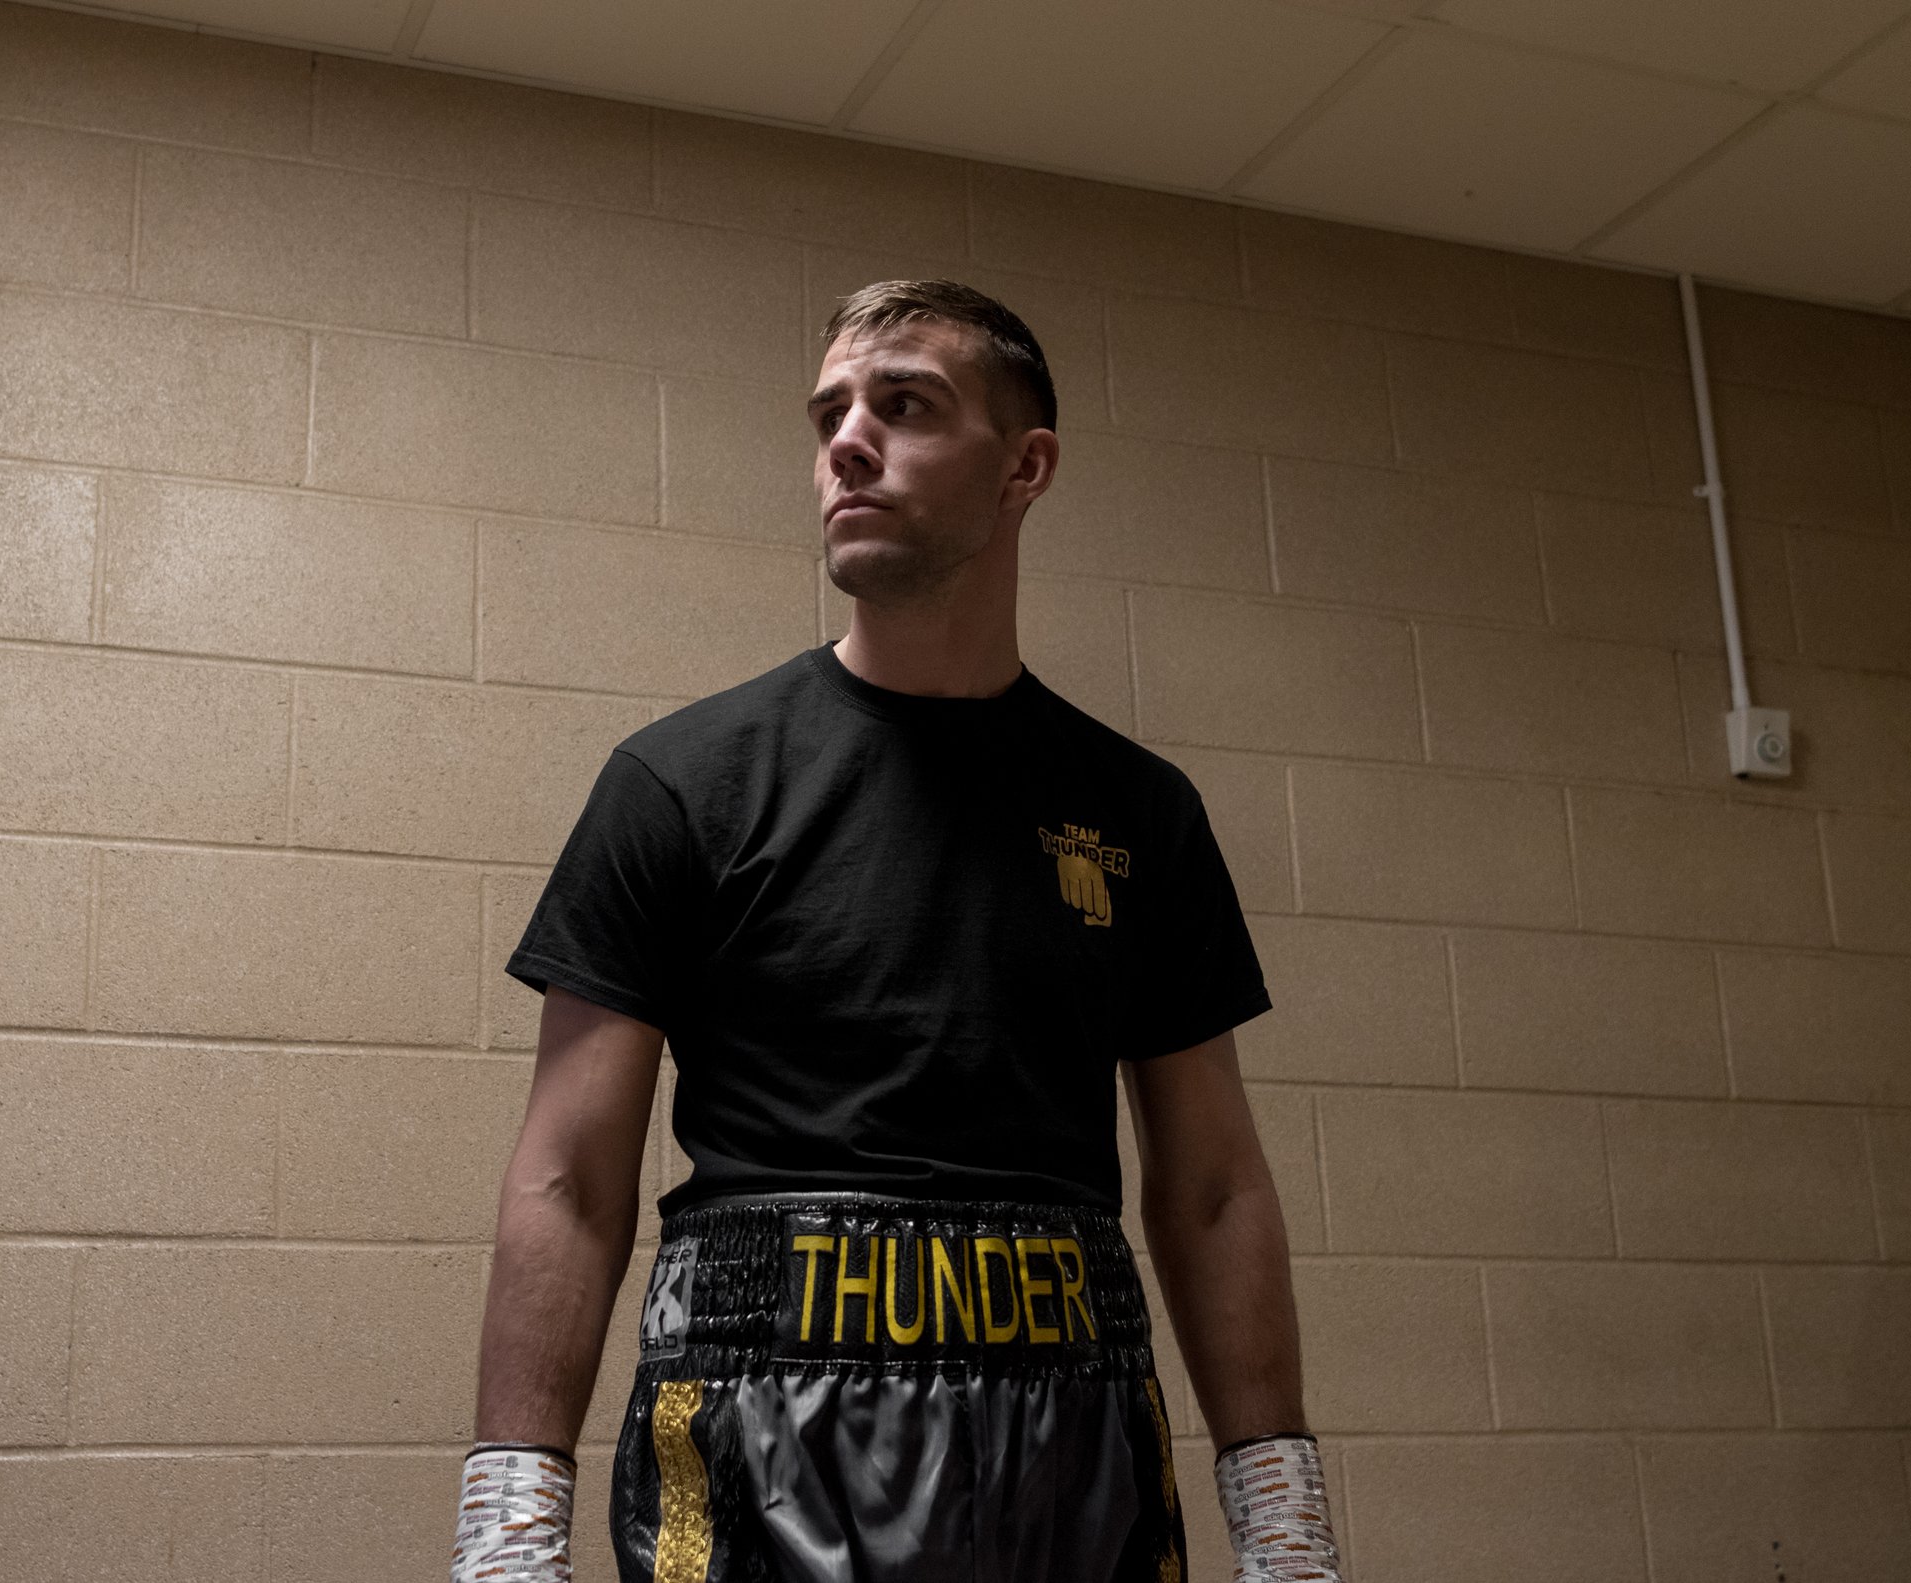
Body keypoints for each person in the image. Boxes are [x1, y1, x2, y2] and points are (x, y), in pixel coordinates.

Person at [449, 280, 1343, 1583]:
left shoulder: (1139, 813)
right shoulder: (682, 784)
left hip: (1068, 1445)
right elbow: (569, 1185)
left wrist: (1286, 1526)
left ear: (1025, 466)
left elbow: (1212, 1191)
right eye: (831, 414)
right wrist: (507, 1542)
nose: (846, 442)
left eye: (905, 406)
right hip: (763, 1439)